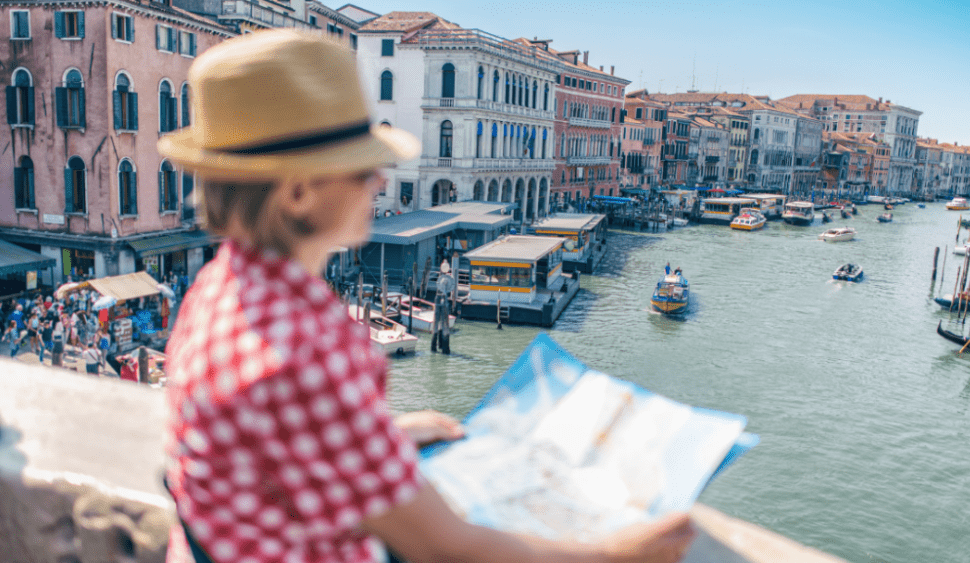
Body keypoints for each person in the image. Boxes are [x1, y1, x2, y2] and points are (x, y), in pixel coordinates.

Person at [157, 30, 694, 563]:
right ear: (298, 193)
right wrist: (615, 555)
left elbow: (273, 439)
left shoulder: (216, 290)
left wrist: (379, 439)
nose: (381, 180)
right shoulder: (307, 349)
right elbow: (447, 547)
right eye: (363, 166)